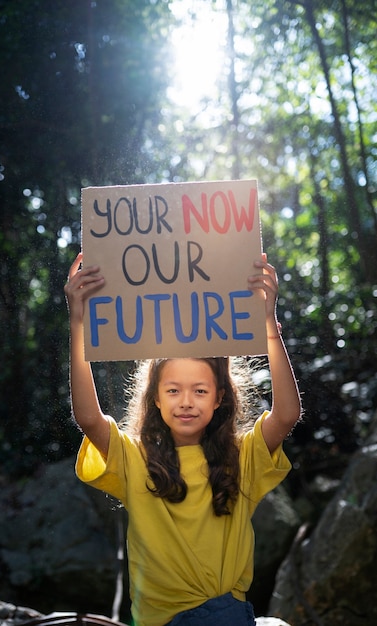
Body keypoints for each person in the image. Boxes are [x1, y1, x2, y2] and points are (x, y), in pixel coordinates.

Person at [64, 251, 302, 626]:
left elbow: (287, 415)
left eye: (201, 391)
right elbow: (88, 418)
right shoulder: (134, 457)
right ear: (155, 398)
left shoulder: (242, 457)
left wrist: (268, 322)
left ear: (220, 397)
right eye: (173, 391)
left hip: (225, 615)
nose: (187, 402)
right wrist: (78, 322)